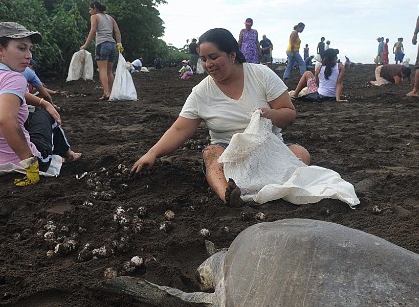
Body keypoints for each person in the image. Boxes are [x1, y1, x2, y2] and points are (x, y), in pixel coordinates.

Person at [131, 28, 310, 207]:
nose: (208, 64)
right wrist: (152, 153)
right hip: (228, 153)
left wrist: (269, 114)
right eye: (203, 59)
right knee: (211, 154)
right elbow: (179, 129)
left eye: (214, 57)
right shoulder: (201, 92)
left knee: (301, 154)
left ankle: (262, 185)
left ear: (232, 55)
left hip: (267, 146)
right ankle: (229, 195)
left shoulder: (261, 75)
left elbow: (288, 114)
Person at [0, 22, 81, 186]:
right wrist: (31, 166)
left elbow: (11, 94)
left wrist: (42, 102)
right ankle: (68, 153)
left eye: (29, 49)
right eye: (21, 48)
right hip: (15, 165)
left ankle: (66, 153)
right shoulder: (14, 78)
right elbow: (5, 120)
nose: (29, 55)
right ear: (0, 49)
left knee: (37, 112)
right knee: (44, 115)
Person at [80, 1, 122, 100]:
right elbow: (117, 32)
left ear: (95, 8)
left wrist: (85, 45)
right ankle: (112, 93)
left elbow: (93, 31)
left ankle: (106, 93)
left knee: (102, 70)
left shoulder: (94, 17)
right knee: (109, 71)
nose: (89, 12)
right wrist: (119, 44)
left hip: (102, 44)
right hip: (112, 45)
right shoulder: (110, 18)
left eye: (90, 9)